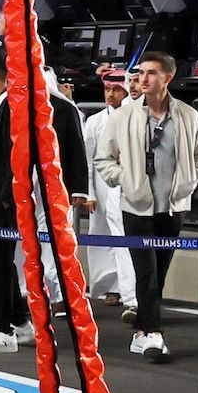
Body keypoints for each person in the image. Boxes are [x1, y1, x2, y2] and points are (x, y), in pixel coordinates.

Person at [0, 49, 88, 355]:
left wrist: (79, 187)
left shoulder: (54, 106)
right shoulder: (0, 105)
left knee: (37, 255)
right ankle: (19, 321)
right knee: (5, 261)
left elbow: (64, 141)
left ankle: (15, 324)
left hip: (39, 193)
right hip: (12, 193)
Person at [94, 50, 198, 364]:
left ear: (167, 78)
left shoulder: (187, 115)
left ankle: (142, 331)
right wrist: (126, 180)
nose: (142, 79)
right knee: (146, 272)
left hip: (173, 207)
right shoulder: (123, 116)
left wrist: (191, 179)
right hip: (136, 206)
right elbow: (104, 159)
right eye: (140, 73)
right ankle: (153, 334)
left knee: (160, 270)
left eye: (151, 73)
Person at [80, 66, 136, 316]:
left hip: (128, 189)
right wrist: (89, 192)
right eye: (107, 89)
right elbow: (87, 159)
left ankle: (130, 292)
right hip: (101, 190)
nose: (110, 94)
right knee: (102, 238)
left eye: (115, 89)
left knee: (125, 240)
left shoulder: (136, 116)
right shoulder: (94, 121)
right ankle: (109, 286)